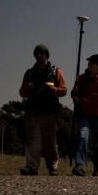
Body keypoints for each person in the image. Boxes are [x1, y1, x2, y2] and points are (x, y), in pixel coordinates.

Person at [18, 44, 67, 175]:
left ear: (47, 55)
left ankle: (52, 166)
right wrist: (26, 89)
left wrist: (54, 89)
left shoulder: (56, 71)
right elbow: (22, 93)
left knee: (50, 141)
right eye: (36, 53)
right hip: (32, 111)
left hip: (50, 111)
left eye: (41, 53)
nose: (38, 55)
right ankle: (32, 167)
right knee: (33, 140)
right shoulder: (29, 73)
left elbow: (63, 90)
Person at [71, 54, 98, 177]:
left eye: (92, 62)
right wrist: (75, 92)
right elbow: (73, 93)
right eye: (89, 62)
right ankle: (81, 167)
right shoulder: (81, 78)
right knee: (83, 137)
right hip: (84, 113)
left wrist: (81, 100)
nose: (89, 64)